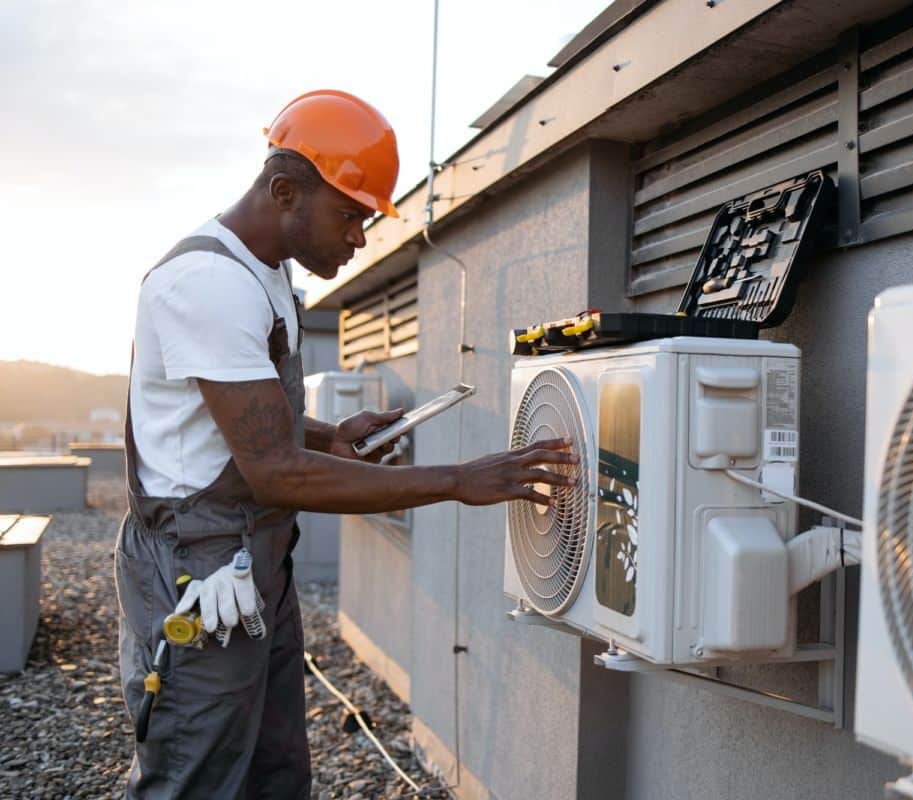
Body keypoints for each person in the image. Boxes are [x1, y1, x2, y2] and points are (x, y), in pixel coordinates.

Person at [114, 90, 574, 798]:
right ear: (285, 190)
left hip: (254, 562)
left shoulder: (267, 274)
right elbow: (275, 473)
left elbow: (243, 418)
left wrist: (331, 434)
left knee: (273, 774)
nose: (359, 237)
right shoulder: (207, 283)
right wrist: (456, 480)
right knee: (194, 779)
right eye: (351, 214)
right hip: (197, 573)